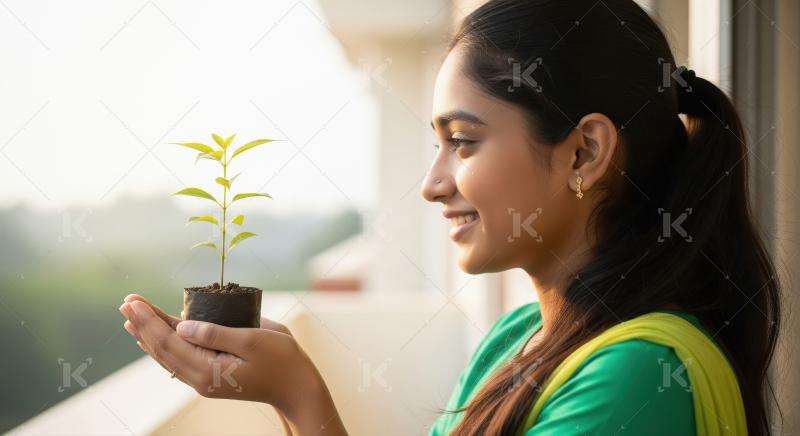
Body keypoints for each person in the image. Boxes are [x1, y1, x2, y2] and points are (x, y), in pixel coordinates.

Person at [119, 0, 781, 434]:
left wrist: (299, 395)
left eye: (462, 142)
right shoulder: (519, 337)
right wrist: (288, 390)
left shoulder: (633, 381)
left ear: (584, 152)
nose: (433, 185)